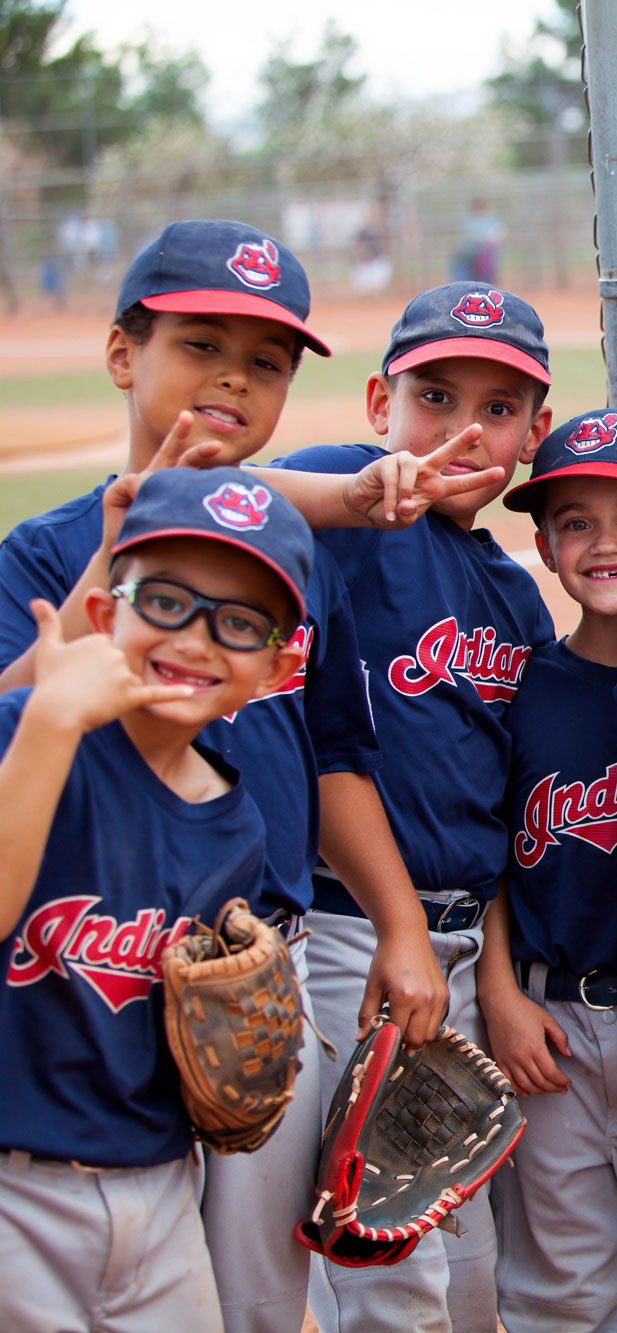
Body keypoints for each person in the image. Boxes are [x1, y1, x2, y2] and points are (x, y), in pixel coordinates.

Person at [0, 218, 452, 1333]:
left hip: (244, 957)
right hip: (59, 969)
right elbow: (21, 714)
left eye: (265, 362)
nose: (232, 380)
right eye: (201, 346)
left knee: (236, 1292)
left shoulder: (298, 566)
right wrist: (108, 567)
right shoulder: (46, 557)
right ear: (123, 356)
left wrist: (398, 923)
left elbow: (337, 754)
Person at [260, 279, 558, 1332]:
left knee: (462, 1260)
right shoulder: (353, 500)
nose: (461, 430)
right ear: (381, 402)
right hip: (356, 934)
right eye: (434, 396)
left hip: (459, 952)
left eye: (497, 407)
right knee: (387, 1274)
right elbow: (214, 494)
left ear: (536, 432)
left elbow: (502, 816)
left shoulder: (512, 597)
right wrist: (354, 493)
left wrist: (502, 975)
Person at [0, 466, 314, 1333]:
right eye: (166, 601)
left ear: (282, 665)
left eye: (241, 622)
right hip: (16, 1189)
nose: (197, 639)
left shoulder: (237, 818)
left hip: (161, 1183)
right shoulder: (30, 732)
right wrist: (50, 724)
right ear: (105, 612)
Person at [479, 410, 617, 1331]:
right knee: (562, 1288)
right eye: (576, 521)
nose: (605, 543)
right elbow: (485, 854)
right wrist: (499, 991)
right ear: (541, 544)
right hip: (554, 1027)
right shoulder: (523, 688)